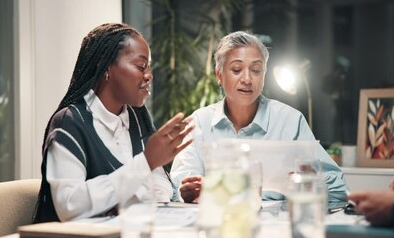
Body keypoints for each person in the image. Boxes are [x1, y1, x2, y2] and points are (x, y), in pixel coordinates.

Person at [33, 23, 194, 223]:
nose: (149, 75)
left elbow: (160, 186)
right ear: (106, 66)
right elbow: (69, 205)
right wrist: (145, 163)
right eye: (141, 66)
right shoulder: (69, 123)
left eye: (149, 67)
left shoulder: (137, 118)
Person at [170, 31, 348, 204]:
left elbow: (338, 188)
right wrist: (192, 190)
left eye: (256, 70)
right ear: (219, 75)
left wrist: (306, 182)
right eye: (237, 69)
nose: (247, 79)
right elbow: (181, 184)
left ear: (264, 75)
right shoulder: (199, 122)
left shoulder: (290, 121)